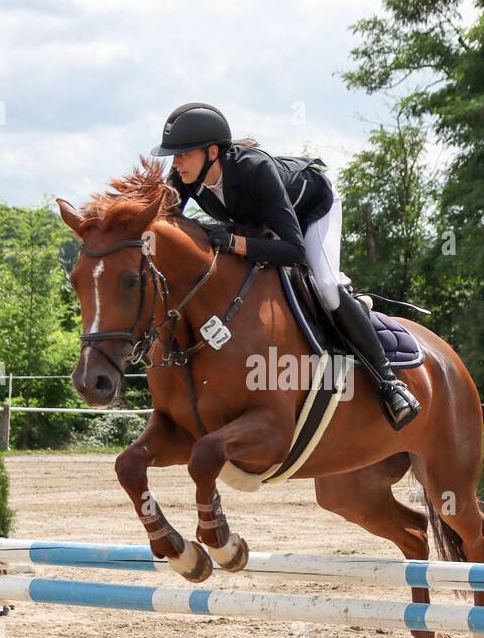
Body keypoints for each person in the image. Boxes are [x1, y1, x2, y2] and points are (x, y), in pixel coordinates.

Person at [153, 102, 420, 429]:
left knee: (326, 288)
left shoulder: (254, 169)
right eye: (174, 155)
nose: (176, 161)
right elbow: (164, 223)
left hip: (312, 211)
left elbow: (294, 250)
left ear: (211, 152)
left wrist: (235, 243)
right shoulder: (186, 175)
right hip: (260, 220)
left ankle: (389, 382)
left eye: (182, 153)